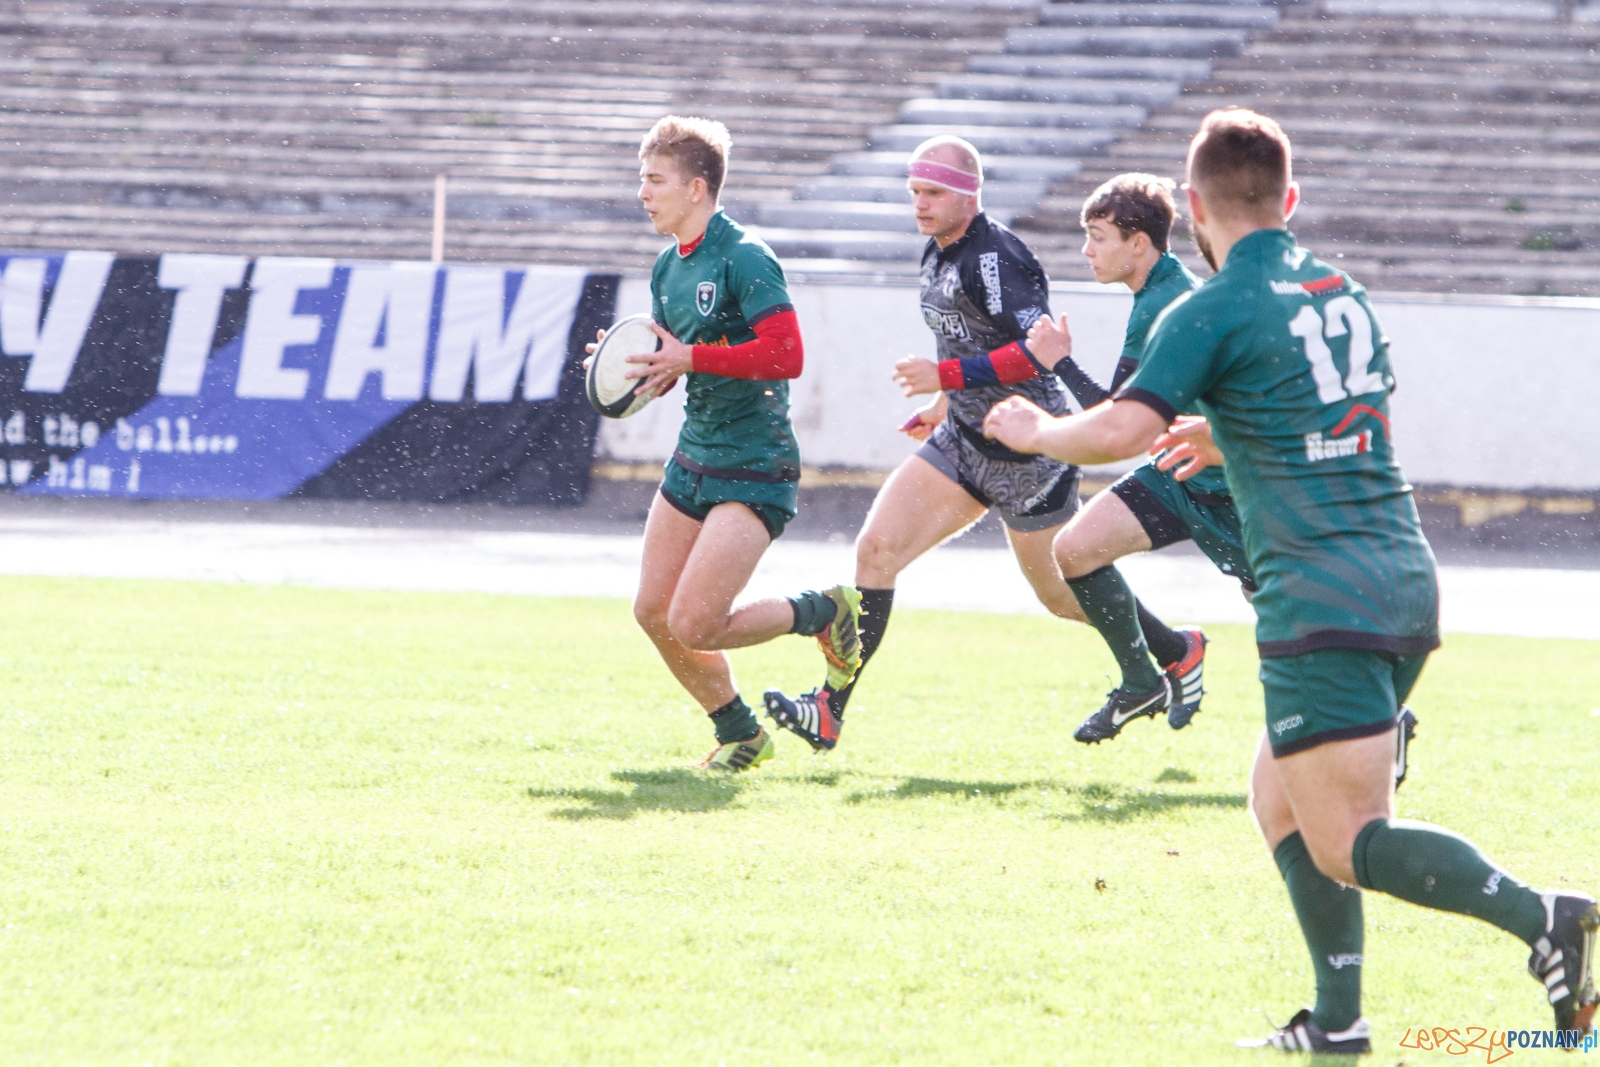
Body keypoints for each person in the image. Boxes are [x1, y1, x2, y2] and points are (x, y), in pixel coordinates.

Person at [982, 108, 1596, 1053]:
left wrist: (1034, 432)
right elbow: (1349, 421)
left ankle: (1540, 915)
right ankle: (1340, 1020)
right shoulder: (1340, 291)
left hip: (1319, 599)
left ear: (1191, 206)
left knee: (1349, 839)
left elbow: (1116, 433)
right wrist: (1227, 433)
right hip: (1401, 577)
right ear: (1290, 198)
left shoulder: (1212, 304)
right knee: (1278, 801)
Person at [763, 135, 1187, 754]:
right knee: (875, 552)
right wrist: (942, 402)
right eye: (914, 192)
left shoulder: (998, 259)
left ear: (969, 194)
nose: (920, 204)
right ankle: (828, 709)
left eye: (933, 192)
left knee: (1064, 597)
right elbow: (963, 339)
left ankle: (1174, 650)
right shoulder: (935, 252)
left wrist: (946, 379)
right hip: (963, 440)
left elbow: (1030, 357)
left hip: (1030, 456)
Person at [612, 115, 863, 772]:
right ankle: (741, 732)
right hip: (693, 456)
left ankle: (822, 611)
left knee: (695, 621)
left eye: (655, 179)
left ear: (697, 187)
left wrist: (689, 357)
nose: (644, 192)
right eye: (642, 178)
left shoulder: (745, 255)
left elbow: (786, 354)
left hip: (754, 463)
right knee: (652, 612)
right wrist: (637, 372)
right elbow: (678, 362)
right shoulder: (668, 266)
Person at [1028, 173, 1218, 742]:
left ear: (1140, 243)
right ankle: (1144, 679)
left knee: (1300, 632)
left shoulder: (1165, 301)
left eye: (1099, 236)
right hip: (1175, 472)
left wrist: (1059, 362)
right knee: (1076, 549)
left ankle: (1383, 714)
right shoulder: (1157, 292)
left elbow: (1118, 420)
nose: (1087, 250)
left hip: (1227, 488)